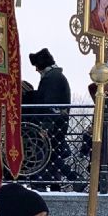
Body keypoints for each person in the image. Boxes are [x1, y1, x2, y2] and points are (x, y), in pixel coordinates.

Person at [28, 48, 73, 189]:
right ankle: (58, 184)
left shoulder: (52, 78)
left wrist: (45, 126)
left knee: (49, 155)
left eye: (36, 66)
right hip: (57, 124)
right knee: (52, 157)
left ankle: (72, 179)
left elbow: (50, 103)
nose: (36, 70)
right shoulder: (55, 76)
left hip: (53, 125)